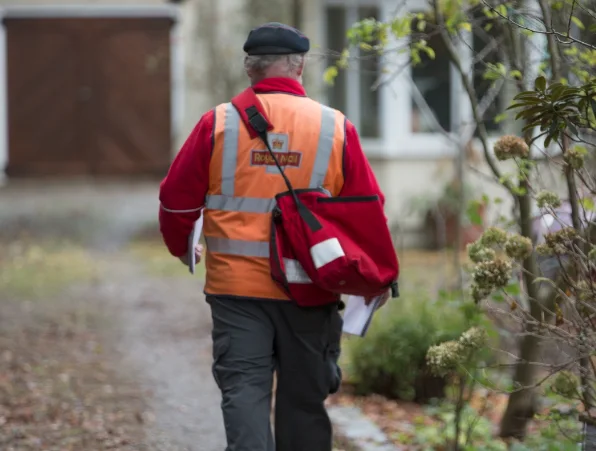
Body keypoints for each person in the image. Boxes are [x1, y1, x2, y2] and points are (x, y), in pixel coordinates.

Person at [159, 22, 391, 451]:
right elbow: (368, 211)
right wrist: (371, 276)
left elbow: (175, 200)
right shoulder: (335, 128)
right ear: (299, 65)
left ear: (251, 69)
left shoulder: (218, 124)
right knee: (304, 401)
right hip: (310, 289)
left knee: (244, 392)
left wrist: (182, 246)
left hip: (236, 290)